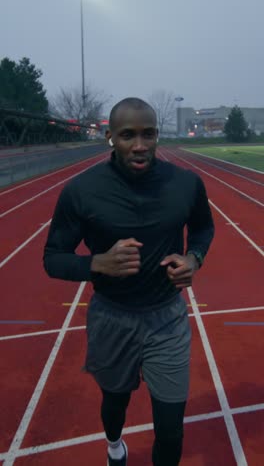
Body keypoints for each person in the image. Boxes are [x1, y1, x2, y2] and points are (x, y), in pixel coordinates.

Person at [43, 97, 215, 466]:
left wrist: (193, 258)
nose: (140, 145)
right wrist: (97, 263)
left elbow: (203, 227)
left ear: (157, 136)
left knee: (171, 429)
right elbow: (52, 260)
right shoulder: (82, 191)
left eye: (148, 134)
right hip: (111, 318)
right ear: (110, 138)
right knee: (115, 405)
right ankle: (115, 445)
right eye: (128, 135)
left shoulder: (185, 183)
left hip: (167, 318)